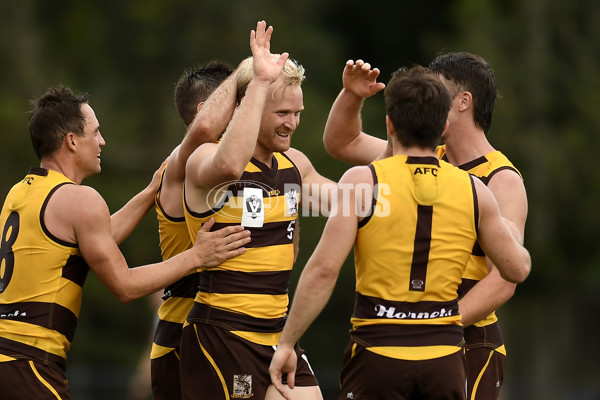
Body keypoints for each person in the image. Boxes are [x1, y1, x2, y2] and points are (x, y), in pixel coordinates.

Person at [269, 65, 531, 400]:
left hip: (428, 339)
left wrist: (287, 341)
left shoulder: (500, 178)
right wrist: (351, 95)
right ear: (442, 123)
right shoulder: (471, 187)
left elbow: (323, 269)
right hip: (442, 346)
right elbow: (342, 141)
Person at [0, 86, 251, 399]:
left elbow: (94, 241)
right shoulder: (81, 199)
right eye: (96, 132)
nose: (102, 141)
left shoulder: (21, 193)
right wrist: (197, 255)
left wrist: (149, 194)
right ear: (72, 141)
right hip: (30, 362)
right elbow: (125, 286)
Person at [179, 21, 330, 400]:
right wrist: (259, 84)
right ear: (252, 104)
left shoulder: (294, 165)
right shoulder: (205, 157)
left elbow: (358, 201)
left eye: (297, 112)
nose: (292, 123)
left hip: (279, 334)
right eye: (282, 113)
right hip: (225, 334)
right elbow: (230, 166)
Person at [149, 61, 235, 400]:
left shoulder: (221, 160)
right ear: (207, 111)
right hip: (182, 337)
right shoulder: (183, 161)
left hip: (223, 331)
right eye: (237, 101)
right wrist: (253, 71)